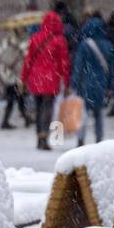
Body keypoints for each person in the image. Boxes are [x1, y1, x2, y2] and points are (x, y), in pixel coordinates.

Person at [20, 10, 70, 150]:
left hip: (36, 79)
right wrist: (66, 82)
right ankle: (44, 136)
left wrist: (23, 78)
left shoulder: (35, 37)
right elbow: (64, 64)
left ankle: (39, 137)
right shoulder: (60, 40)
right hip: (51, 79)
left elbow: (28, 60)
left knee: (38, 108)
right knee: (47, 108)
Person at [70, 11, 114, 145]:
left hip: (86, 83)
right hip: (100, 84)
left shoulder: (84, 45)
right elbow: (112, 68)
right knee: (98, 114)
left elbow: (78, 65)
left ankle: (81, 139)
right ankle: (99, 139)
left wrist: (74, 83)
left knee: (82, 114)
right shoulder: (108, 45)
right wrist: (110, 86)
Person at [0, 25, 32, 129]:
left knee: (18, 99)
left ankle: (25, 119)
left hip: (8, 74)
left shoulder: (5, 41)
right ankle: (8, 121)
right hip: (16, 75)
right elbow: (25, 57)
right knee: (17, 99)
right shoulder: (21, 43)